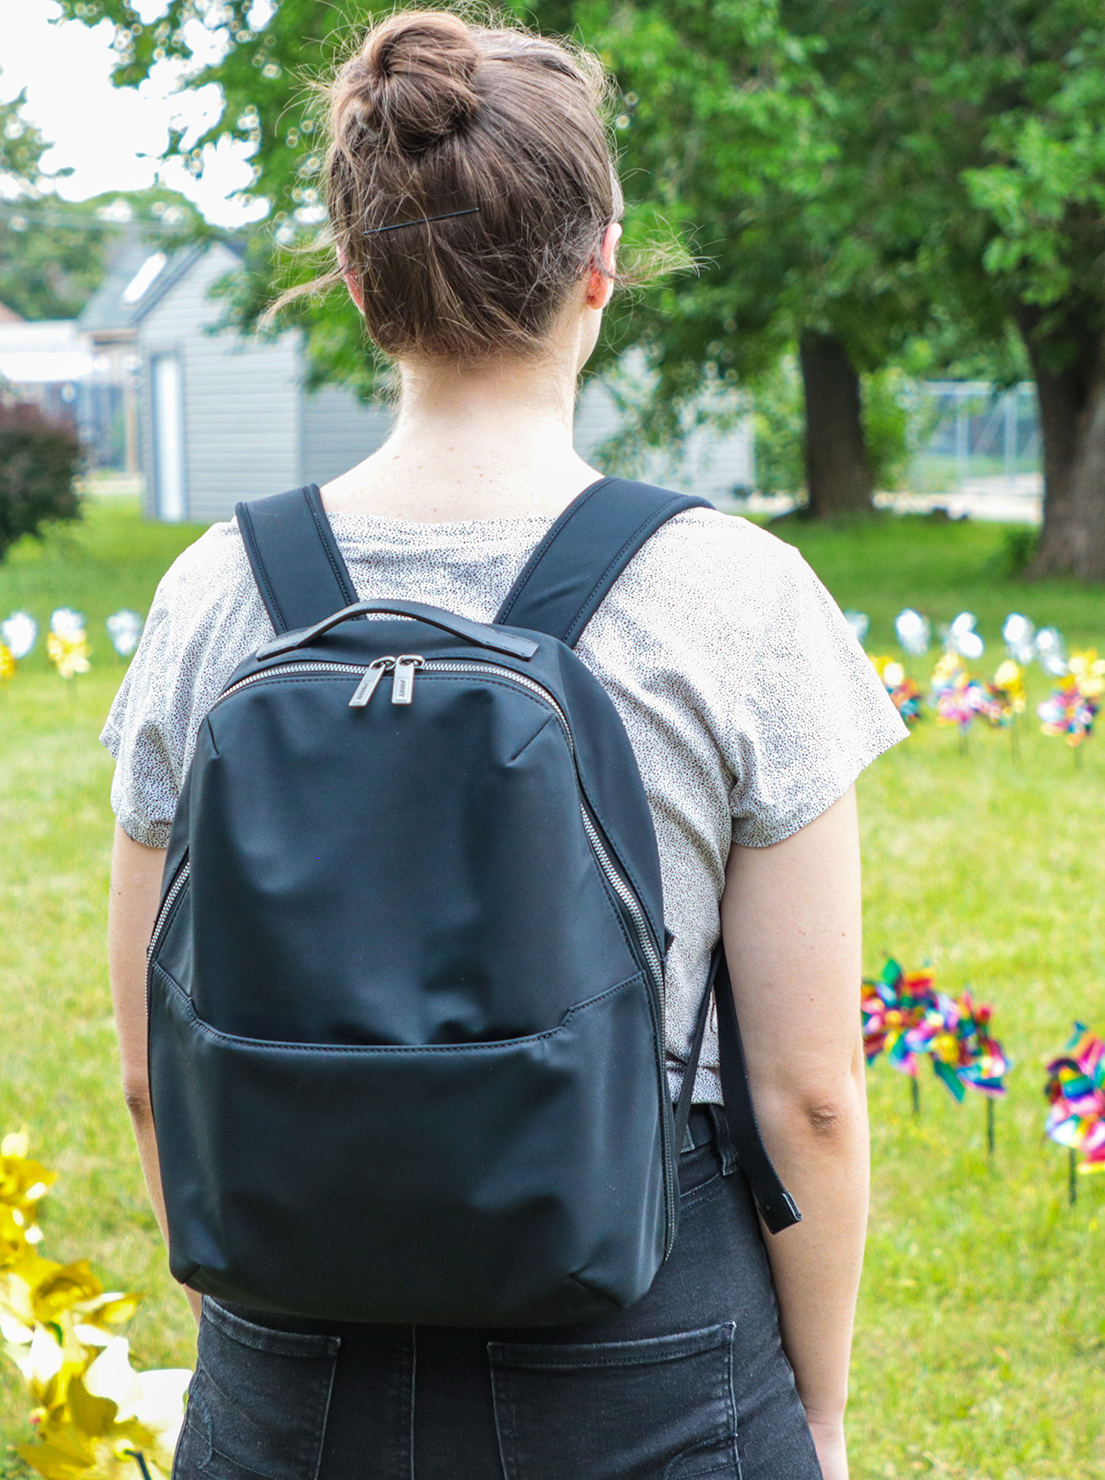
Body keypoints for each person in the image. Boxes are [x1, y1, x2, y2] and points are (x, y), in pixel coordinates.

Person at [101, 12, 905, 1478]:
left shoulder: (214, 593)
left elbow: (157, 1065)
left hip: (292, 1360)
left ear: (356, 282)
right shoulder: (735, 594)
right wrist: (821, 1414)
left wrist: (269, 1307)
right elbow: (808, 1099)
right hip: (646, 1348)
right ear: (602, 269)